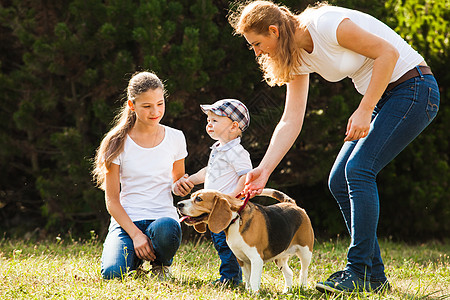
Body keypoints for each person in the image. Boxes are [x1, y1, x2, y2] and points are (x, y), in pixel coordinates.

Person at [228, 0, 440, 294]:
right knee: (339, 178)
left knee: (358, 170)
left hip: (415, 88)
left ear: (274, 31)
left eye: (257, 43)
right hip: (386, 97)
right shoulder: (296, 55)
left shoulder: (326, 24)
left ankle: (358, 270)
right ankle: (373, 276)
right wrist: (264, 170)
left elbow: (387, 54)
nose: (257, 52)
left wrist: (365, 110)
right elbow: (291, 119)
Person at [92, 71, 187, 280]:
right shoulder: (115, 143)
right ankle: (135, 258)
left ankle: (160, 264)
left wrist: (182, 185)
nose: (155, 111)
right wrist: (136, 235)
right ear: (131, 105)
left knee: (168, 227)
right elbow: (112, 201)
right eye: (147, 106)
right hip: (127, 222)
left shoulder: (176, 138)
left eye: (160, 103)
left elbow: (177, 180)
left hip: (162, 220)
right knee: (112, 274)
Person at [174, 99, 252, 287]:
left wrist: (232, 197)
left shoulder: (237, 152)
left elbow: (246, 176)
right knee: (220, 243)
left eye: (215, 120)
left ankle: (231, 278)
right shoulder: (218, 149)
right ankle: (231, 275)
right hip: (214, 210)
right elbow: (208, 172)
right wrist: (190, 180)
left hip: (228, 210)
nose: (209, 123)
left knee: (227, 246)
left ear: (234, 126)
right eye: (208, 119)